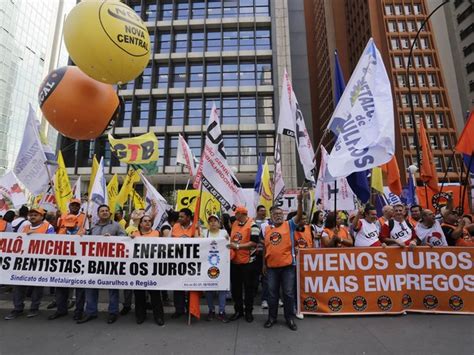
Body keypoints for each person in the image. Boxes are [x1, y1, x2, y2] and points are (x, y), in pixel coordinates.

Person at [77, 204, 126, 324]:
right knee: (91, 287)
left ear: (110, 213)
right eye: (102, 211)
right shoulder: (93, 227)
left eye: (106, 210)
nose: (104, 212)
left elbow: (124, 238)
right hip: (94, 263)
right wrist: (82, 236)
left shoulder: (116, 225)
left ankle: (113, 312)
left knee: (112, 288)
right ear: (98, 214)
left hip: (111, 263)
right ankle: (91, 312)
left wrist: (113, 239)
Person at [262, 190, 303, 331]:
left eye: (280, 214)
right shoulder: (267, 230)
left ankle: (289, 318)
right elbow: (266, 249)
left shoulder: (289, 225)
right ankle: (271, 318)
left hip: (287, 267)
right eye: (275, 214)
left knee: (288, 293)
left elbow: (298, 216)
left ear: (283, 215)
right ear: (271, 217)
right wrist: (264, 265)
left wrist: (300, 202)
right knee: (272, 294)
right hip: (271, 267)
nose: (278, 216)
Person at [4, 207, 55, 320]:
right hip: (24, 261)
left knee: (37, 285)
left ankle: (34, 308)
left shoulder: (48, 227)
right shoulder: (25, 227)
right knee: (19, 285)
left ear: (42, 217)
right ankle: (17, 308)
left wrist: (36, 235)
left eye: (35, 215)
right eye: (31, 214)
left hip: (40, 262)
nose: (32, 216)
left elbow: (54, 241)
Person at [49, 199, 86, 321]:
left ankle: (78, 311)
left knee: (79, 286)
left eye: (77, 205)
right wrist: (57, 218)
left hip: (79, 257)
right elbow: (55, 230)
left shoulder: (84, 218)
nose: (74, 206)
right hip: (62, 256)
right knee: (60, 284)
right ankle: (61, 309)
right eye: (73, 205)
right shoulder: (62, 216)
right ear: (69, 206)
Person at [130, 215, 164, 325]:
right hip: (138, 269)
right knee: (139, 294)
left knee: (155, 295)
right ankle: (140, 316)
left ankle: (158, 317)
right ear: (140, 223)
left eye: (149, 221)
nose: (147, 223)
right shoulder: (134, 234)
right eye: (145, 221)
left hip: (153, 269)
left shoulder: (157, 234)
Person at [228, 206, 259, 323]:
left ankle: (248, 312)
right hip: (235, 262)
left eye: (236, 214)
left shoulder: (253, 225)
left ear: (242, 214)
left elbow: (254, 243)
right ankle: (238, 311)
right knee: (236, 289)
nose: (235, 216)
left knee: (248, 289)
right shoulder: (235, 224)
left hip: (248, 263)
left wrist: (236, 246)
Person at [170, 208, 199, 318]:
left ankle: (190, 309)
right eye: (179, 216)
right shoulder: (175, 226)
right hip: (177, 262)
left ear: (188, 217)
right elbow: (169, 242)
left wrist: (196, 233)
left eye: (182, 217)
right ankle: (179, 309)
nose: (179, 218)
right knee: (178, 287)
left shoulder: (196, 227)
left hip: (192, 263)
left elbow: (201, 243)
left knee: (190, 286)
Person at [203, 214, 229, 323]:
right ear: (208, 224)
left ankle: (222, 311)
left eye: (215, 221)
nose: (213, 223)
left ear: (219, 223)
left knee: (222, 289)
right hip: (207, 265)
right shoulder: (205, 233)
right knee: (209, 289)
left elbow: (227, 246)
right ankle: (211, 310)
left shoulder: (224, 233)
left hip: (222, 264)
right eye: (211, 221)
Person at [290, 210, 313, 320]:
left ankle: (307, 306)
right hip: (295, 262)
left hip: (307, 262)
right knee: (295, 286)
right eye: (302, 219)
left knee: (306, 285)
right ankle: (297, 307)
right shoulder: (290, 229)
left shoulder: (309, 228)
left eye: (305, 219)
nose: (304, 221)